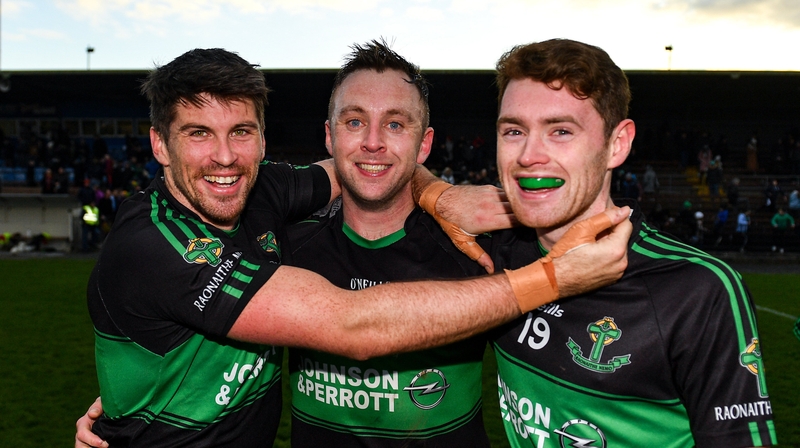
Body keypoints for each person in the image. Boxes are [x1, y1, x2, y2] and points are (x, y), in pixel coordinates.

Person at [75, 48, 630, 448]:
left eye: (241, 132)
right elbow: (348, 325)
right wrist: (554, 277)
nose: (224, 156)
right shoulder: (153, 247)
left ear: (262, 142)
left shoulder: (264, 188)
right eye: (197, 133)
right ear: (158, 145)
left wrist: (437, 193)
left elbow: (363, 163)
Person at [488, 39, 774, 447]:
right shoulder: (493, 250)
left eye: (562, 131)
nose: (530, 155)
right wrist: (440, 194)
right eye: (514, 131)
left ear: (617, 144)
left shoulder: (697, 288)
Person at [283, 40, 491, 446]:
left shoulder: (474, 251)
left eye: (395, 124)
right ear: (330, 136)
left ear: (425, 144)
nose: (373, 142)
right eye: (355, 122)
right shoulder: (285, 249)